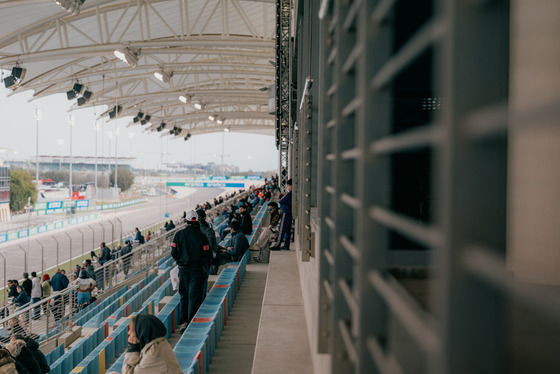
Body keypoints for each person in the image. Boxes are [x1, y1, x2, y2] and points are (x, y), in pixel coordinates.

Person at [171, 210, 211, 332]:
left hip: (183, 270)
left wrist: (180, 260)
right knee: (194, 297)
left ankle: (183, 322)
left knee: (184, 296)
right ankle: (191, 322)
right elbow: (206, 254)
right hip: (197, 270)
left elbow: (173, 253)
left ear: (186, 221)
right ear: (197, 221)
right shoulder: (202, 236)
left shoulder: (178, 235)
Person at [107, 314, 182, 374]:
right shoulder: (160, 343)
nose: (128, 332)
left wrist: (132, 349)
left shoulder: (153, 353)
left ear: (141, 332)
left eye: (132, 330)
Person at [196, 208, 218, 299]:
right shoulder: (209, 230)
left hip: (196, 261)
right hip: (206, 262)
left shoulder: (194, 231)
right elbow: (213, 246)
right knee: (203, 283)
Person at [272, 178, 293, 250]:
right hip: (289, 213)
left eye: (289, 186)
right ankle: (286, 245)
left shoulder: (289, 193)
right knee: (287, 230)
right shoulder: (292, 194)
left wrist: (280, 195)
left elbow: (280, 201)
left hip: (285, 213)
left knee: (282, 229)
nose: (288, 187)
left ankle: (277, 245)